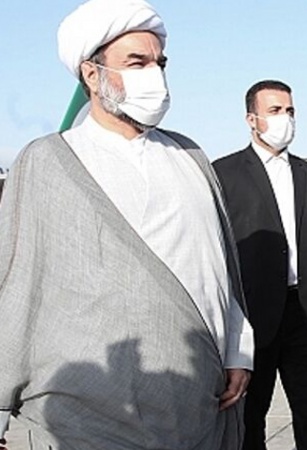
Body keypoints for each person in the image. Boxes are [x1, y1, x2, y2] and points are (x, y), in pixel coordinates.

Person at [0, 0, 254, 449]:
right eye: (137, 63)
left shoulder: (189, 156)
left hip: (199, 400)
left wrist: (238, 350)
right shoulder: (50, 161)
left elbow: (220, 270)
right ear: (91, 74)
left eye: (160, 63)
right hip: (90, 413)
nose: (154, 74)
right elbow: (17, 287)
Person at [213, 80, 307, 450]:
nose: (284, 118)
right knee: (249, 418)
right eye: (274, 111)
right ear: (251, 119)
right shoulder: (223, 175)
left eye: (289, 111)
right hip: (250, 318)